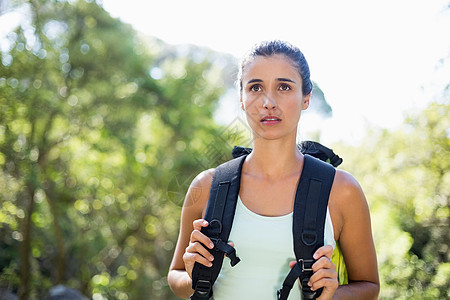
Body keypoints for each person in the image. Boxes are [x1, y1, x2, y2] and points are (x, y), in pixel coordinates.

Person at [168, 40, 379, 299]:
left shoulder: (341, 190)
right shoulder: (207, 186)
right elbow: (175, 276)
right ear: (242, 100)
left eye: (284, 87)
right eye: (255, 87)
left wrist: (330, 295)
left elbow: (369, 286)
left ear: (306, 98)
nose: (268, 101)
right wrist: (192, 276)